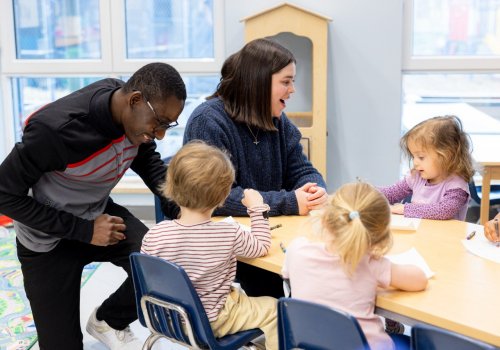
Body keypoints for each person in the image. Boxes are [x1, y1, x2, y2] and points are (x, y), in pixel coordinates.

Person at [0, 62, 186, 350]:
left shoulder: (132, 118)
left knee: (162, 267)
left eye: (167, 125)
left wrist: (182, 210)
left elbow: (148, 161)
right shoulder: (54, 131)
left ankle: (108, 320)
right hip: (47, 240)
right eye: (159, 122)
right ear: (135, 100)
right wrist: (84, 231)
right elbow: (4, 194)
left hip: (96, 214)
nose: (160, 134)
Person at [183, 38, 328, 298]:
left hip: (267, 232)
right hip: (223, 242)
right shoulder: (208, 122)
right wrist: (290, 202)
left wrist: (314, 190)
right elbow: (215, 198)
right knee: (282, 286)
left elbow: (303, 170)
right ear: (258, 83)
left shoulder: (278, 122)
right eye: (286, 81)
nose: (292, 89)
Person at [141, 141, 277, 350]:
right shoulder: (229, 233)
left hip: (170, 320)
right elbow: (261, 246)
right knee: (276, 310)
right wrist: (257, 208)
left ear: (171, 185)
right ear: (223, 196)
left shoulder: (154, 235)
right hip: (213, 320)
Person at [282, 182, 428, 350]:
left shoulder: (296, 249)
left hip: (312, 345)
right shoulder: (370, 263)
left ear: (325, 218)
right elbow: (420, 280)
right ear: (380, 238)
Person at [379, 115, 474, 221]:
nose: (415, 162)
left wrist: (404, 209)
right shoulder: (416, 176)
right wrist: (368, 192)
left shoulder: (456, 185)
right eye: (413, 156)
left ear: (446, 155)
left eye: (421, 157)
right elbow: (392, 193)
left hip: (446, 237)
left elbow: (443, 211)